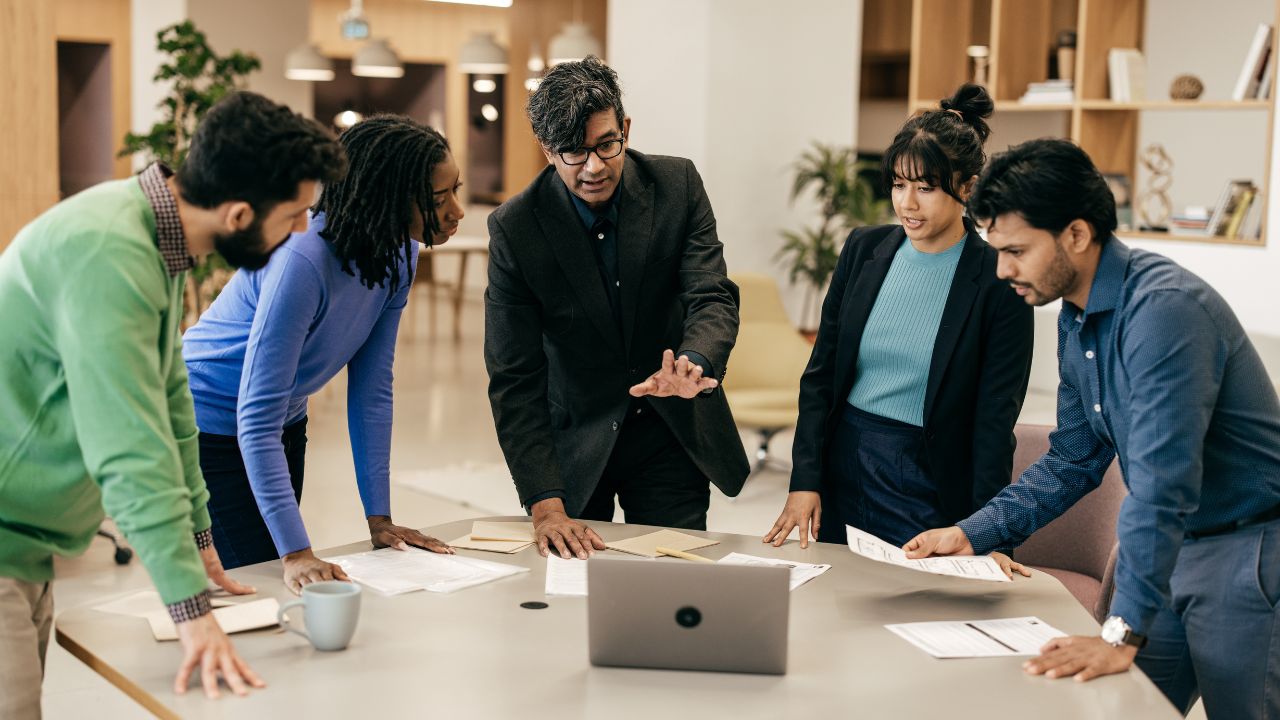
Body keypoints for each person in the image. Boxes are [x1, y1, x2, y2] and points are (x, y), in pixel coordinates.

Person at [904, 138, 1280, 720]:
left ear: (1076, 235)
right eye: (996, 250)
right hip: (1169, 550)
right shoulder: (1077, 315)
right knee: (1113, 706)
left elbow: (1162, 487)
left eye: (1017, 251)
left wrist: (1118, 633)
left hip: (1247, 553)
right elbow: (1074, 458)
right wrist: (972, 533)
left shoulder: (1164, 313)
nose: (1002, 269)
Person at [0, 91, 346, 713]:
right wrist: (189, 611)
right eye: (294, 214)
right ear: (240, 214)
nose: (302, 230)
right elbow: (130, 447)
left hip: (24, 536)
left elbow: (171, 402)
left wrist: (198, 534)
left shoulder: (157, 238)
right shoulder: (111, 251)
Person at [182, 115, 463, 594]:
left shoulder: (399, 253)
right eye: (439, 198)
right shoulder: (302, 258)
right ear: (390, 195)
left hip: (283, 421)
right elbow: (254, 413)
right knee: (258, 581)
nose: (456, 210)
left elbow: (372, 390)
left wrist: (381, 518)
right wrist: (296, 551)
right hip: (207, 423)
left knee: (278, 578)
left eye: (454, 190)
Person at [484, 56, 749, 559]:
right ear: (546, 150)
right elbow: (514, 375)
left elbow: (710, 294)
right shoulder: (515, 229)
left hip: (670, 428)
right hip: (576, 443)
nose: (594, 167)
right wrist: (545, 504)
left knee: (676, 590)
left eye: (607, 144)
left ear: (625, 127)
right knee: (575, 599)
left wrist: (695, 361)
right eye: (573, 152)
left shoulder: (677, 185)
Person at [764, 84, 1034, 565]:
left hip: (927, 479)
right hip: (845, 462)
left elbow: (994, 423)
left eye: (926, 188)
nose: (907, 203)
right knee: (836, 604)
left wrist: (986, 535)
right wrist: (804, 480)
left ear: (967, 187)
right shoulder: (864, 249)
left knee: (918, 610)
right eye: (898, 183)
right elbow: (821, 375)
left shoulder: (999, 280)